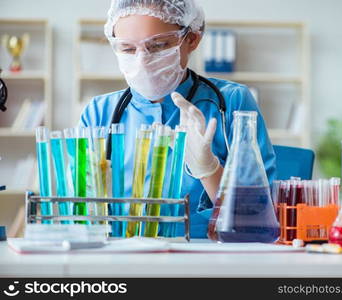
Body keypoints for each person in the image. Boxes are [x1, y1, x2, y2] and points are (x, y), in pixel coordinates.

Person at [80, 0, 276, 238]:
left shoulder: (232, 102)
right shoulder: (99, 113)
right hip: (122, 254)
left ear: (192, 39)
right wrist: (91, 196)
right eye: (128, 49)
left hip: (207, 255)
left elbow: (257, 219)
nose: (142, 61)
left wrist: (209, 170)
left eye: (159, 45)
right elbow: (75, 214)